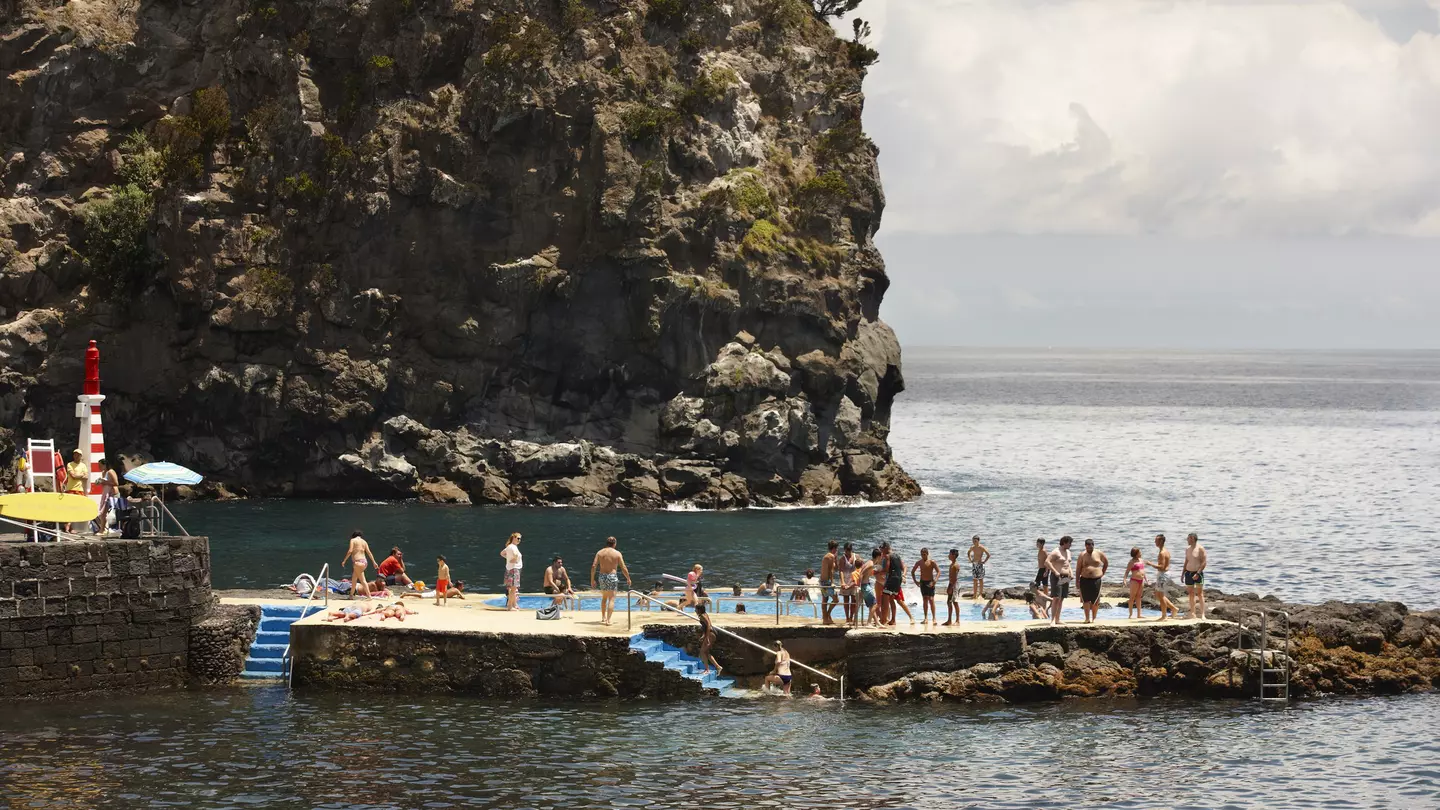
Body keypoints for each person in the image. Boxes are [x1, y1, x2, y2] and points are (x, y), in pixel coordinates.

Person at [590, 536, 632, 625]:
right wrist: (628, 578)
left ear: (606, 543)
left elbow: (593, 566)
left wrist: (592, 579)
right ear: (615, 544)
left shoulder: (600, 552)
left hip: (602, 576)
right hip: (612, 576)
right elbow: (623, 567)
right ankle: (608, 620)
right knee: (612, 599)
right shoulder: (617, 553)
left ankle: (603, 617)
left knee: (604, 598)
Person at [1075, 538, 1108, 624]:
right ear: (1086, 546)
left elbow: (1106, 563)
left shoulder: (1099, 553)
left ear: (1093, 545)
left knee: (1096, 600)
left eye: (1092, 545)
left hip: (1096, 579)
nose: (1090, 547)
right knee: (1085, 600)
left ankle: (1094, 618)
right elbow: (1078, 568)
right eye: (1088, 546)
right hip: (1084, 579)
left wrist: (1102, 573)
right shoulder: (1082, 555)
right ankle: (1087, 618)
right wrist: (1077, 580)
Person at [1148, 534, 1180, 621]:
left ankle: (1164, 615)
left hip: (1163, 574)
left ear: (1161, 541)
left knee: (1160, 595)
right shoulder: (1165, 551)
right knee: (1158, 594)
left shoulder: (1162, 553)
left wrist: (1150, 564)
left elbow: (1161, 567)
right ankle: (1173, 608)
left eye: (1156, 540)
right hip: (1163, 574)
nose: (1155, 542)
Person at [1045, 536, 1074, 625]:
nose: (1070, 545)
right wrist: (1055, 571)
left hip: (1066, 577)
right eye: (1069, 543)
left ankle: (1058, 619)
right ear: (1064, 542)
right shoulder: (1056, 552)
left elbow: (1067, 564)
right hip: (1057, 576)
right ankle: (1053, 619)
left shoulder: (1068, 552)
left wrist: (1071, 573)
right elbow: (1047, 562)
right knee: (1056, 598)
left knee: (1061, 598)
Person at [910, 547, 940, 626]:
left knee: (931, 599)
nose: (923, 556)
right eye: (921, 554)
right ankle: (926, 618)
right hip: (923, 582)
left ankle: (934, 618)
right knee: (925, 600)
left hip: (930, 582)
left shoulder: (932, 562)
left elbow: (938, 571)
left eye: (924, 554)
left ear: (927, 554)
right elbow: (912, 572)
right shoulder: (919, 562)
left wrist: (935, 581)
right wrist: (916, 581)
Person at [343, 531, 377, 598]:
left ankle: (369, 596)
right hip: (364, 562)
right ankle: (351, 596)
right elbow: (369, 553)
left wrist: (344, 560)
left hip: (358, 562)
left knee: (362, 580)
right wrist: (374, 562)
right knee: (354, 579)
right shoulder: (364, 542)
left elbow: (350, 551)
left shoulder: (353, 540)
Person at [93, 459, 120, 536]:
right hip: (106, 495)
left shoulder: (111, 471)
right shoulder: (103, 472)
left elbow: (116, 483)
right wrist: (100, 482)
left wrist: (104, 482)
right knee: (103, 513)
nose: (99, 467)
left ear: (105, 465)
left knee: (112, 513)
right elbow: (105, 483)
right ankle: (102, 530)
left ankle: (114, 529)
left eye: (100, 465)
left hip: (113, 494)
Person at [1184, 532, 1208, 619]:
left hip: (1198, 573)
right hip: (1188, 573)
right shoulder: (1187, 549)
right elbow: (1186, 561)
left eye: (1188, 538)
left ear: (1192, 539)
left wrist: (1198, 573)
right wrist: (1183, 573)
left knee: (1200, 593)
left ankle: (1202, 614)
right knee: (1190, 594)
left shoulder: (1200, 549)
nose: (1187, 540)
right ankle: (1192, 613)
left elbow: (1204, 562)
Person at [63, 450, 88, 533]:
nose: (76, 456)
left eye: (78, 455)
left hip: (80, 489)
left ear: (81, 456)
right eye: (75, 455)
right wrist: (81, 475)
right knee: (69, 508)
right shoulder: (70, 464)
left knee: (76, 509)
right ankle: (68, 526)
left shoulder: (83, 465)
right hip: (70, 489)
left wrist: (78, 476)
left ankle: (69, 526)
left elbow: (86, 477)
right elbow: (73, 476)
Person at [696, 602, 722, 676]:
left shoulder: (702, 616)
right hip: (711, 633)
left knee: (702, 652)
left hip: (710, 634)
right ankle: (718, 667)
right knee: (706, 652)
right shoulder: (705, 614)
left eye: (696, 609)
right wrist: (704, 635)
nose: (695, 611)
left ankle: (707, 669)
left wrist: (706, 637)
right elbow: (706, 626)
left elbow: (708, 626)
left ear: (699, 610)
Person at [837, 542, 859, 625]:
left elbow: (861, 566)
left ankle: (851, 617)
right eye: (847, 550)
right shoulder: (842, 559)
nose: (848, 552)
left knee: (853, 600)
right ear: (845, 550)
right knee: (846, 600)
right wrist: (842, 582)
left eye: (849, 550)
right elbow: (841, 571)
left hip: (853, 581)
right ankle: (847, 618)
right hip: (845, 581)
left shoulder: (856, 557)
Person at [500, 532, 523, 610]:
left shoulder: (509, 546)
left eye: (520, 539)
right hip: (514, 569)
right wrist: (514, 559)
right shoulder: (513, 547)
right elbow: (515, 554)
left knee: (511, 588)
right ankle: (510, 606)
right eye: (518, 538)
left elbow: (502, 553)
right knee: (513, 589)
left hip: (510, 569)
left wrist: (508, 558)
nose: (519, 540)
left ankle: (512, 605)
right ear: (514, 538)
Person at [820, 540, 839, 625]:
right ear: (834, 548)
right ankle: (827, 615)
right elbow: (831, 571)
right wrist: (832, 582)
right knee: (836, 599)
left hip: (822, 581)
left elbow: (835, 568)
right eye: (836, 548)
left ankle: (825, 619)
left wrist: (836, 558)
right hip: (827, 582)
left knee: (825, 600)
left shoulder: (827, 556)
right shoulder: (831, 556)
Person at [967, 535, 991, 600]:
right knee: (975, 580)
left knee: (980, 580)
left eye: (975, 541)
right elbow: (968, 552)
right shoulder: (973, 547)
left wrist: (984, 561)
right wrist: (970, 559)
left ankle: (980, 594)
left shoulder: (982, 547)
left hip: (980, 565)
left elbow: (988, 555)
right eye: (973, 541)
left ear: (978, 541)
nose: (974, 542)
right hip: (974, 564)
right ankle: (974, 595)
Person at [1126, 547, 1146, 619]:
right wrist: (1124, 580)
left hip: (1141, 580)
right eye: (1139, 552)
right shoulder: (1131, 562)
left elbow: (1143, 571)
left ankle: (1139, 614)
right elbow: (1127, 572)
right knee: (1132, 597)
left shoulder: (1141, 560)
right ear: (1135, 554)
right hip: (1134, 580)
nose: (1140, 553)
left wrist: (1146, 579)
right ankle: (1130, 614)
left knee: (1139, 597)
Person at [943, 548, 961, 626]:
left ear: (953, 555)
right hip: (952, 584)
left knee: (955, 602)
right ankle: (949, 620)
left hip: (954, 585)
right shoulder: (952, 564)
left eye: (950, 554)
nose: (948, 555)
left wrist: (951, 587)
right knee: (949, 602)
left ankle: (957, 620)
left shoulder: (955, 565)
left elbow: (955, 578)